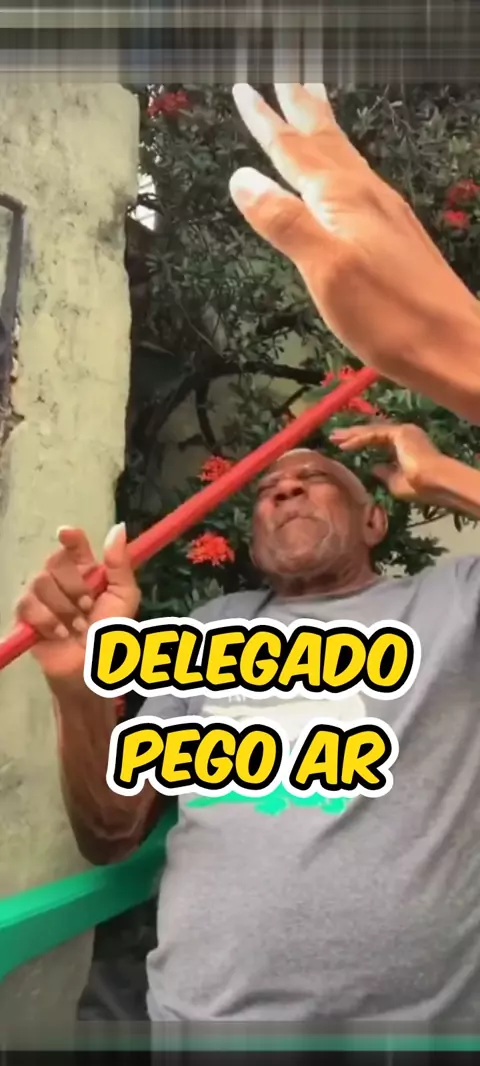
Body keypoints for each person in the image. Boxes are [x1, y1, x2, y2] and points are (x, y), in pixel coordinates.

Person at [13, 84, 480, 1023]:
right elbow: (111, 834)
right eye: (268, 489)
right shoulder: (206, 636)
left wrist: (454, 442)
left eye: (315, 479)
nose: (285, 490)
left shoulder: (452, 600)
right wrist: (77, 687)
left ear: (377, 523)